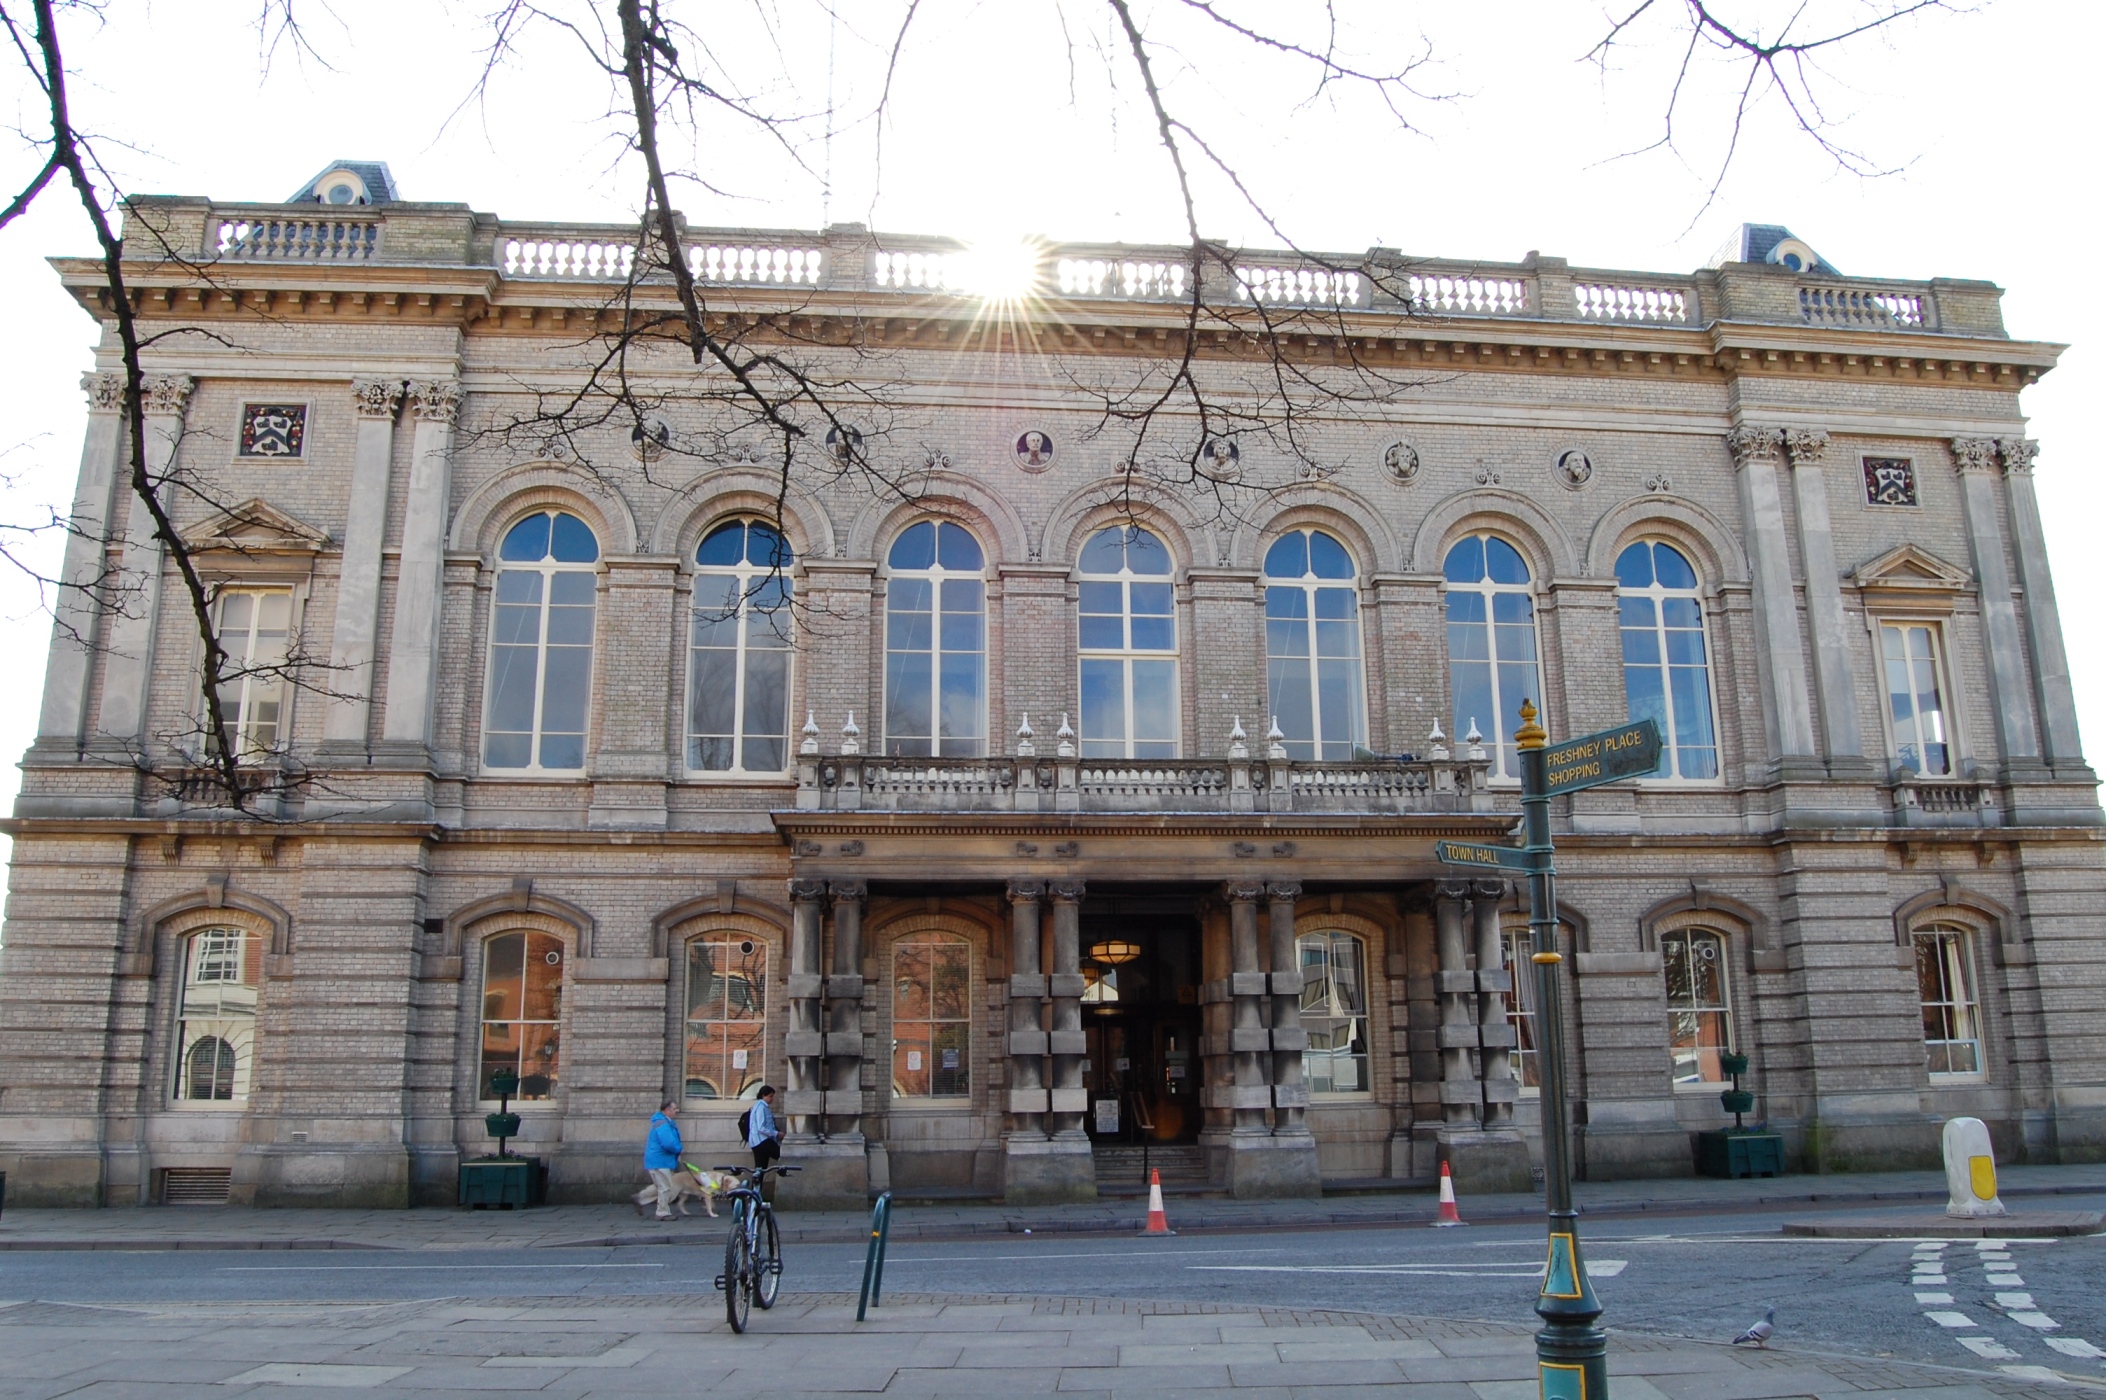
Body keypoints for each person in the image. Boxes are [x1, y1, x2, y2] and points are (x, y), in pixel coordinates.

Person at [641, 1099, 684, 1222]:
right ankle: (662, 1212)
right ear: (667, 1110)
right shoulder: (663, 1124)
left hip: (657, 1160)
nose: (677, 1111)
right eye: (674, 1109)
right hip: (661, 1161)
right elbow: (668, 1143)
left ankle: (640, 1199)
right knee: (665, 1187)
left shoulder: (661, 1122)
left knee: (661, 1186)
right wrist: (679, 1149)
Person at [746, 1084, 782, 1174]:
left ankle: (756, 1187)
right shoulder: (761, 1107)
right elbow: (761, 1127)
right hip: (762, 1140)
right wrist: (776, 1134)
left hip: (756, 1142)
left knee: (760, 1168)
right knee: (782, 1156)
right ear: (763, 1095)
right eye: (770, 1096)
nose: (772, 1099)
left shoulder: (758, 1106)